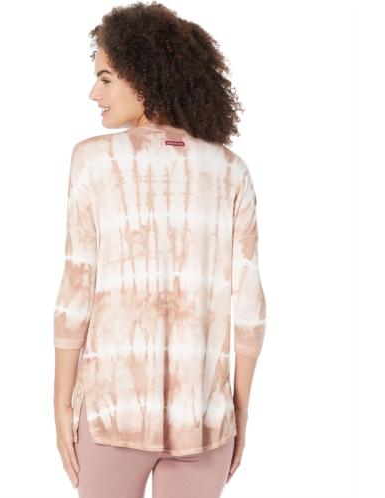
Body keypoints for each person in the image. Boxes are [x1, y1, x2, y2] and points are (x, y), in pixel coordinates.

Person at [53, 2, 267, 497]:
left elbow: (75, 292)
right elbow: (250, 309)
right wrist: (239, 410)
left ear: (144, 75)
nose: (93, 93)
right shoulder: (232, 170)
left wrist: (62, 403)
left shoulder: (93, 160)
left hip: (112, 411)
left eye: (105, 79)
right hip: (205, 417)